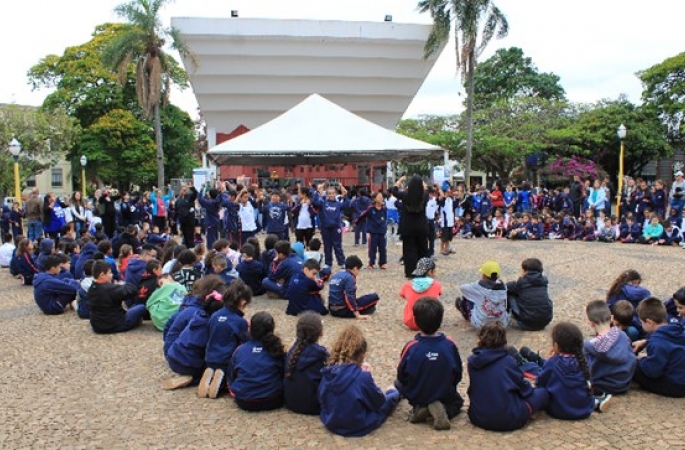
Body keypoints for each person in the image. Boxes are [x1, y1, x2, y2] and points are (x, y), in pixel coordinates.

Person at [318, 325, 400, 437]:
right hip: (356, 425)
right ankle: (394, 392)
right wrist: (368, 376)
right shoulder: (362, 377)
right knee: (391, 396)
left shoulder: (329, 372)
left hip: (331, 420)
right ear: (362, 354)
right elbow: (378, 402)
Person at [395, 298, 463, 430]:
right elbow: (458, 373)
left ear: (415, 320)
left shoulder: (411, 347)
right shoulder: (449, 344)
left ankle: (422, 407)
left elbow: (401, 375)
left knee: (396, 384)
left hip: (417, 394)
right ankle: (442, 410)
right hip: (444, 393)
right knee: (457, 402)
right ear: (441, 320)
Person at [467, 322, 548, 432]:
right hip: (508, 419)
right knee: (543, 393)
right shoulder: (508, 361)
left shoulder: (472, 362)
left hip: (477, 416)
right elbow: (523, 389)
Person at [520, 322, 595, 420]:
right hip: (585, 409)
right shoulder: (586, 360)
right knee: (543, 368)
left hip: (559, 410)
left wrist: (550, 359)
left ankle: (524, 362)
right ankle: (533, 359)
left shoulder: (553, 362)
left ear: (556, 345)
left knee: (536, 372)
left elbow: (540, 381)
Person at [162, 287, 226, 390]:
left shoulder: (196, 315)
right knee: (216, 367)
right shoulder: (209, 326)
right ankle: (194, 379)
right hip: (187, 364)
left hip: (173, 355)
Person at [200, 280, 251, 399]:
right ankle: (222, 383)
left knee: (214, 367)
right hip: (226, 360)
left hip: (209, 357)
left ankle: (210, 376)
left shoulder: (214, 315)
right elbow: (245, 341)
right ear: (243, 302)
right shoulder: (239, 321)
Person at [227, 311, 286, 411]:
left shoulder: (240, 350)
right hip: (273, 399)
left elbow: (231, 374)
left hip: (245, 401)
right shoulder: (276, 349)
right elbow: (284, 372)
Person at [583, 301, 636, 405]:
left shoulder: (590, 346)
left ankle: (595, 399)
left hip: (602, 385)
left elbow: (589, 369)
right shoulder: (623, 336)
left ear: (591, 323)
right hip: (623, 383)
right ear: (611, 318)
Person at [631, 297, 685, 397]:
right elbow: (668, 345)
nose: (641, 325)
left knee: (633, 366)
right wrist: (646, 342)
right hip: (681, 376)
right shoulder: (678, 330)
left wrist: (642, 359)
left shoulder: (656, 342)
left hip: (676, 386)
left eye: (641, 322)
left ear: (649, 322)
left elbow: (653, 371)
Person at [284, 312, 328, 415]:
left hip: (291, 402)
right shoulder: (320, 354)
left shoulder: (292, 351)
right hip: (313, 405)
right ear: (320, 332)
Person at [88, 260, 146, 334]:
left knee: (134, 307)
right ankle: (137, 321)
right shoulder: (109, 289)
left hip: (97, 326)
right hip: (116, 324)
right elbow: (131, 291)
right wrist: (124, 284)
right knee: (141, 307)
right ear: (102, 275)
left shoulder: (91, 288)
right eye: (109, 273)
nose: (112, 275)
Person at [392, 175, 429, 278]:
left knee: (409, 250)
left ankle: (410, 272)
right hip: (421, 227)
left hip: (408, 227)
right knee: (422, 249)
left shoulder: (405, 195)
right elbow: (427, 188)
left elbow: (394, 191)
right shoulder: (424, 195)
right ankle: (422, 271)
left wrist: (400, 180)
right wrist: (422, 183)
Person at [455, 261, 509, 329]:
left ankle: (467, 316)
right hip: (501, 324)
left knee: (467, 297)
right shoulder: (503, 287)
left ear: (484, 275)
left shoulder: (478, 286)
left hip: (481, 325)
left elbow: (462, 288)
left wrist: (476, 284)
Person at [506, 258, 553, 331]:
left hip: (526, 323)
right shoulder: (544, 282)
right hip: (544, 322)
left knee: (510, 294)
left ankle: (506, 317)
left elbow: (507, 286)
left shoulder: (520, 283)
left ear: (525, 271)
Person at [328, 255, 379, 319]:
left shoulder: (337, 274)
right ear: (355, 268)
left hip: (332, 310)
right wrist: (357, 315)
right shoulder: (349, 277)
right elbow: (349, 297)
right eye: (359, 270)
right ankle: (358, 312)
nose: (358, 272)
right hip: (342, 310)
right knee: (374, 297)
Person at [311, 183, 349, 268]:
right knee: (327, 246)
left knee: (337, 245)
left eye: (333, 193)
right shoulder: (323, 203)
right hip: (325, 227)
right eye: (329, 193)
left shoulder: (338, 203)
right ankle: (328, 263)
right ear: (327, 194)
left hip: (336, 228)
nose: (331, 195)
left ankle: (342, 262)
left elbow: (347, 205)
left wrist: (345, 195)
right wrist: (317, 192)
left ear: (335, 194)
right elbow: (314, 202)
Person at [399, 258, 442, 331]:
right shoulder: (437, 285)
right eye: (434, 271)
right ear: (430, 272)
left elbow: (402, 295)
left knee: (408, 302)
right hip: (431, 323)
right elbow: (439, 293)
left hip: (412, 322)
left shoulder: (407, 285)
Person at [606, 269, 651, 337]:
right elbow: (646, 293)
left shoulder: (615, 290)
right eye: (637, 284)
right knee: (633, 331)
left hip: (613, 323)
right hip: (627, 324)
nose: (638, 287)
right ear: (634, 281)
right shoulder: (637, 292)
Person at [357, 192, 388, 269]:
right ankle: (371, 263)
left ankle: (382, 263)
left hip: (382, 231)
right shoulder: (371, 208)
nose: (381, 198)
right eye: (379, 197)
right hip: (373, 232)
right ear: (374, 199)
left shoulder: (384, 209)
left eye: (382, 197)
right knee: (372, 248)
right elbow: (363, 215)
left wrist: (384, 227)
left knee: (382, 248)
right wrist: (357, 221)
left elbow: (385, 218)